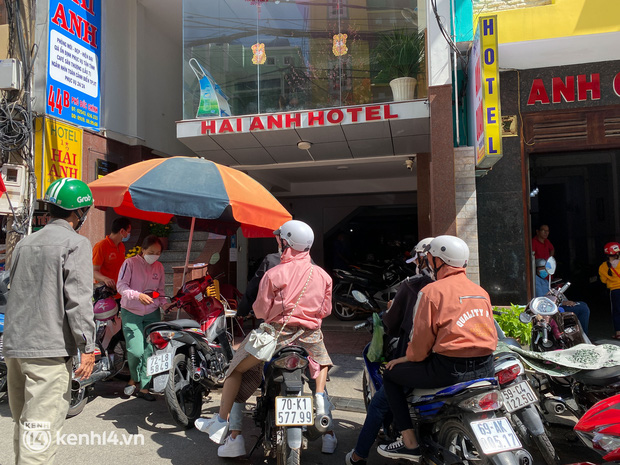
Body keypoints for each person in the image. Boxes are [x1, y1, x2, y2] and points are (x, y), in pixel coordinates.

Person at [194, 220, 336, 457]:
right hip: (310, 340)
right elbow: (326, 310)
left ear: (286, 242)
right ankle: (320, 400)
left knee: (235, 370)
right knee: (322, 359)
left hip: (276, 338)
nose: (277, 242)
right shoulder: (322, 275)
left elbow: (260, 311)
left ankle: (221, 423)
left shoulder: (274, 273)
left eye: (280, 239)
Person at [377, 235, 497, 461]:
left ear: (438, 261)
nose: (429, 263)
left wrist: (403, 359)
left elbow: (420, 348)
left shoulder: (432, 292)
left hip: (449, 370)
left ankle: (409, 442)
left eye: (430, 259)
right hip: (485, 368)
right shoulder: (481, 292)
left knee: (391, 375)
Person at [4, 177, 96, 464]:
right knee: (39, 437)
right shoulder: (75, 243)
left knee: (24, 427)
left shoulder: (25, 243)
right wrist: (88, 347)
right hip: (49, 351)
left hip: (16, 348)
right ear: (78, 212)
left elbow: (11, 286)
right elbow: (79, 301)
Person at [345, 237, 434, 465]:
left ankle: (359, 455)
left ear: (426, 259)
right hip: (459, 361)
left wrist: (392, 310)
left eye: (419, 259)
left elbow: (392, 324)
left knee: (381, 398)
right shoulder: (465, 287)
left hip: (420, 360)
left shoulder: (414, 285)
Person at [117, 235, 167, 400]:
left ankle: (144, 387)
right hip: (131, 311)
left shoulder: (159, 266)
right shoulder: (130, 263)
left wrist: (163, 303)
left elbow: (160, 291)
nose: (154, 255)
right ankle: (134, 378)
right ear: (142, 250)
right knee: (136, 351)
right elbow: (121, 286)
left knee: (149, 351)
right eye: (151, 251)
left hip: (152, 313)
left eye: (158, 252)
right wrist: (137, 296)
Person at [534, 258, 590, 335]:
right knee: (583, 309)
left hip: (556, 304)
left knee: (583, 304)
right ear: (536, 269)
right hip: (551, 308)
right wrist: (563, 303)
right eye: (541, 268)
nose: (544, 270)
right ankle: (583, 334)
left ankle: (582, 333)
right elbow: (543, 298)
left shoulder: (545, 280)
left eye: (545, 268)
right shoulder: (536, 281)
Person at [92, 216, 132, 290]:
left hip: (120, 290)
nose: (129, 234)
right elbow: (93, 271)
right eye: (128, 232)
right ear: (122, 231)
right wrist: (105, 279)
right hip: (106, 292)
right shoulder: (101, 246)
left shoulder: (121, 246)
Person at [598, 242, 620, 339]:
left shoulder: (603, 266)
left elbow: (603, 280)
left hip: (615, 292)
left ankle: (618, 333)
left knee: (616, 312)